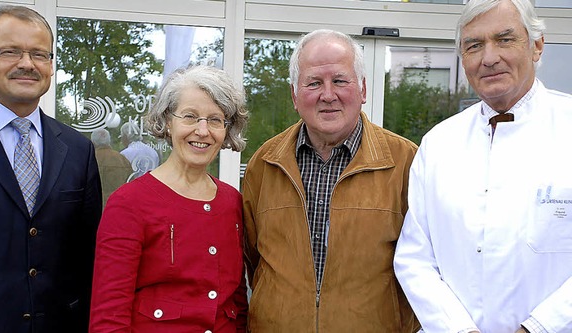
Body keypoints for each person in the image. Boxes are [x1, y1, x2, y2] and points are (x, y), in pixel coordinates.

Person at [393, 0, 572, 332]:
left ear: (537, 45)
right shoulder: (438, 143)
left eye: (504, 39)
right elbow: (414, 258)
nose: (489, 58)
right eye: (474, 46)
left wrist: (538, 327)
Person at [0, 5, 102, 333]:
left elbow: (87, 258)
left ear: (51, 65)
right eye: (10, 51)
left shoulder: (77, 149)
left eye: (40, 54)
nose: (27, 64)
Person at [242, 29, 419, 332]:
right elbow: (252, 259)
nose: (327, 94)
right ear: (294, 95)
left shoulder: (406, 162)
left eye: (339, 80)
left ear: (362, 89)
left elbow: (424, 265)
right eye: (313, 83)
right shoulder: (265, 163)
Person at [89, 65, 249, 332]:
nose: (202, 130)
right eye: (190, 116)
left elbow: (237, 302)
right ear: (167, 120)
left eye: (215, 119)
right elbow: (109, 316)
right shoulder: (129, 203)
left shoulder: (231, 201)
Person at [91, 128, 132, 208]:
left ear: (93, 142)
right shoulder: (121, 159)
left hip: (95, 207)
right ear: (108, 141)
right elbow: (130, 182)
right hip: (117, 205)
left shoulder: (89, 159)